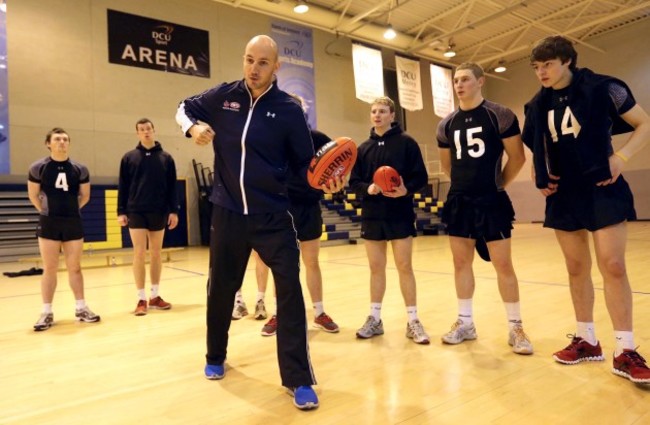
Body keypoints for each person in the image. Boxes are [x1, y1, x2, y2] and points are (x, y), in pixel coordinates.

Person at [175, 34, 342, 410]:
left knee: (290, 292)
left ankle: (298, 379)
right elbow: (184, 106)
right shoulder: (224, 96)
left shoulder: (287, 110)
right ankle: (215, 356)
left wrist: (324, 180)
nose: (254, 68)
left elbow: (303, 164)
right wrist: (193, 128)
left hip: (272, 215)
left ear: (276, 66)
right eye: (249, 59)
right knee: (220, 288)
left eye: (262, 62)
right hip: (228, 211)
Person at [523, 35, 650, 383]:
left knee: (613, 265)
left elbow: (645, 124)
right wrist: (541, 176)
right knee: (576, 267)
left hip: (602, 188)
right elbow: (537, 148)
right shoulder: (536, 105)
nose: (541, 73)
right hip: (564, 195)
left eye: (547, 64)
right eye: (536, 67)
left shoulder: (605, 87)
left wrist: (621, 158)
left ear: (567, 61)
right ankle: (587, 340)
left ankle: (625, 349)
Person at [436, 62, 533, 355]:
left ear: (480, 82)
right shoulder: (446, 123)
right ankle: (465, 322)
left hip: (492, 201)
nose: (459, 85)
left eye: (465, 79)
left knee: (503, 264)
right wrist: (465, 187)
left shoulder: (499, 115)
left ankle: (515, 326)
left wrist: (497, 184)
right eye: (456, 81)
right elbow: (446, 165)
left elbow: (517, 157)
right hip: (460, 201)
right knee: (460, 263)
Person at [349, 96, 430, 345]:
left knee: (404, 266)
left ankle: (413, 321)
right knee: (376, 268)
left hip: (400, 213)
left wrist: (406, 190)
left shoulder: (407, 143)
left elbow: (421, 177)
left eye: (382, 111)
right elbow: (354, 183)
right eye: (374, 111)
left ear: (392, 115)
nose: (377, 115)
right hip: (373, 215)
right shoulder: (363, 148)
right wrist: (368, 188)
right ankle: (375, 319)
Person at [259, 94, 340, 336]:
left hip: (308, 206)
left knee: (311, 262)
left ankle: (319, 312)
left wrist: (337, 181)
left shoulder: (317, 138)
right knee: (282, 266)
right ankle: (278, 313)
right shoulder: (274, 141)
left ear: (303, 110)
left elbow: (340, 163)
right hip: (281, 208)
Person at [27, 127, 101, 331]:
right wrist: (45, 211)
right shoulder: (38, 167)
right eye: (57, 139)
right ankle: (46, 312)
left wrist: (71, 210)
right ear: (48, 143)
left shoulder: (79, 168)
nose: (62, 142)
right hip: (49, 222)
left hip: (73, 222)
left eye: (65, 139)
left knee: (75, 267)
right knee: (49, 268)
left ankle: (81, 308)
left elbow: (85, 196)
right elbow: (33, 194)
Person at [117, 118, 179, 316]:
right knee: (139, 253)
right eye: (141, 130)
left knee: (156, 253)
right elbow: (123, 186)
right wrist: (121, 211)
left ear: (154, 131)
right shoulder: (129, 158)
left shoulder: (166, 158)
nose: (146, 132)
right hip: (135, 211)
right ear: (137, 133)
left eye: (148, 129)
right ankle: (141, 298)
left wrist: (174, 210)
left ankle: (155, 296)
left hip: (158, 211)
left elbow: (172, 187)